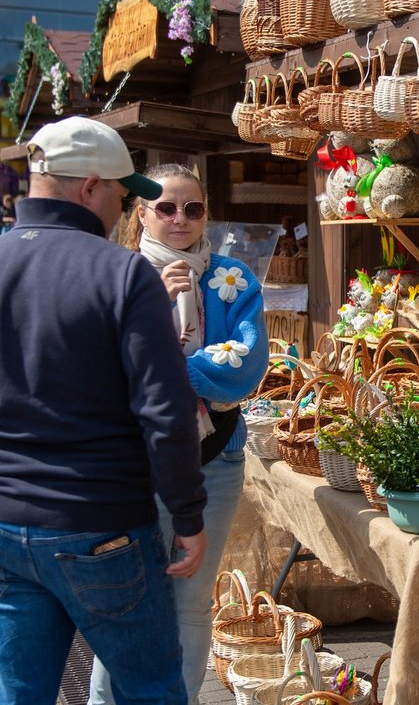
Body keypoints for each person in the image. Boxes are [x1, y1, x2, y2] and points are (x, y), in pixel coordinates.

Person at [0, 117, 208, 704]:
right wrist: (188, 516)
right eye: (122, 194)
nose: (122, 209)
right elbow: (164, 414)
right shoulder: (121, 274)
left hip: (9, 522)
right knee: (150, 690)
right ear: (91, 186)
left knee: (20, 693)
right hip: (100, 521)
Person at [88, 163, 268, 705]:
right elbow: (97, 370)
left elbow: (246, 365)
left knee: (190, 606)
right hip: (130, 465)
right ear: (141, 211)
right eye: (165, 207)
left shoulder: (233, 278)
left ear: (206, 213)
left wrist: (160, 368)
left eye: (192, 208)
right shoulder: (116, 274)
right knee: (124, 600)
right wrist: (154, 307)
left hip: (213, 462)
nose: (179, 219)